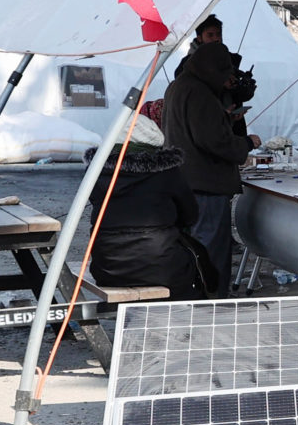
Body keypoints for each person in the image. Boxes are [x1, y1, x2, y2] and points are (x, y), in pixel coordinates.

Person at [86, 112, 216, 298]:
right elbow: (190, 215)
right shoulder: (167, 172)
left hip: (108, 268)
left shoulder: (95, 172)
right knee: (195, 265)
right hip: (161, 267)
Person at [161, 40, 252, 290]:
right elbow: (213, 141)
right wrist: (245, 144)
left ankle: (194, 296)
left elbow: (192, 129)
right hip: (204, 184)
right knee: (210, 248)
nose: (226, 81)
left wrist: (224, 119)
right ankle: (212, 303)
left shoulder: (178, 87)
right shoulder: (199, 93)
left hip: (182, 179)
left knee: (191, 246)